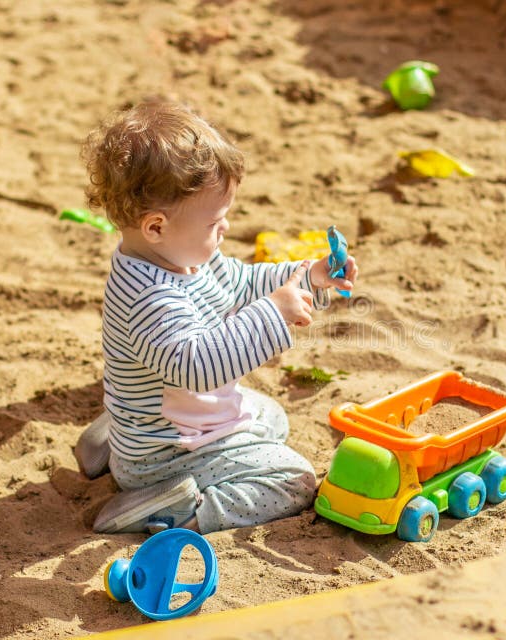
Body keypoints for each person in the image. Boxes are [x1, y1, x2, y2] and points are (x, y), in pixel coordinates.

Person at [75, 99, 358, 535]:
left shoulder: (183, 256)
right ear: (155, 227)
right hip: (167, 453)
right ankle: (175, 509)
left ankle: (114, 438)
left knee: (272, 419)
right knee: (293, 480)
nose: (224, 228)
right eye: (214, 221)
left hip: (165, 421)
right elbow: (199, 367)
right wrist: (272, 315)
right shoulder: (148, 297)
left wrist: (309, 279)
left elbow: (243, 283)